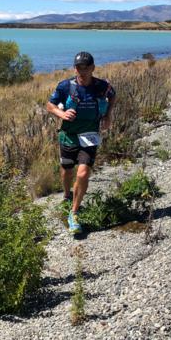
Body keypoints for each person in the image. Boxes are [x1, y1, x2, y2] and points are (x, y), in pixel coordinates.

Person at [46, 51, 116, 234]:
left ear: (93, 68)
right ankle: (67, 194)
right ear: (74, 68)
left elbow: (113, 96)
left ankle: (74, 213)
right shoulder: (65, 86)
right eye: (78, 67)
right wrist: (62, 114)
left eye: (86, 68)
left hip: (90, 135)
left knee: (83, 173)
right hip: (68, 135)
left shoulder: (102, 86)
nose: (82, 71)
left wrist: (108, 115)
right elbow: (49, 105)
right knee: (67, 169)